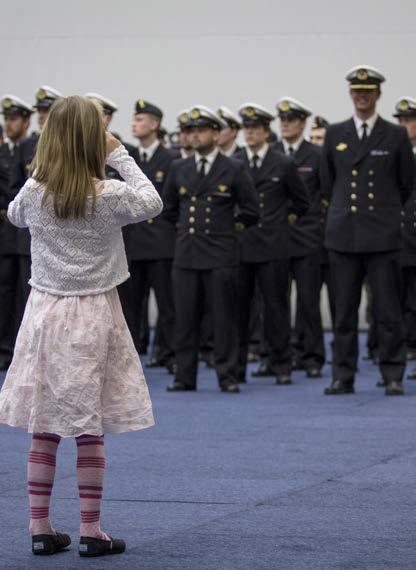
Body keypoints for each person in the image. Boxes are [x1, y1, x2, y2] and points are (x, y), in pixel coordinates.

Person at [0, 96, 162, 557]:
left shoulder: (35, 193)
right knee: (90, 427)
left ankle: (39, 526)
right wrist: (118, 154)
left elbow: (13, 214)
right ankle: (91, 530)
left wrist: (43, 167)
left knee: (44, 423)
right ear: (97, 139)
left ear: (49, 140)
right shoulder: (108, 195)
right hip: (94, 314)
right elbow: (153, 200)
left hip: (45, 315)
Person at [321, 65, 415, 396]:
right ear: (351, 95)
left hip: (383, 236)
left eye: (368, 92)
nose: (362, 97)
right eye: (357, 92)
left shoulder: (395, 134)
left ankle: (392, 373)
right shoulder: (336, 133)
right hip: (344, 235)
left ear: (377, 95)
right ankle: (342, 375)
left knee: (388, 311)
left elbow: (405, 184)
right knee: (343, 312)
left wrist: (385, 214)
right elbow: (327, 183)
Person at [163, 105, 259, 393]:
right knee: (185, 320)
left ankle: (227, 375)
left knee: (224, 319)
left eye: (201, 130)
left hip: (221, 254)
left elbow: (252, 210)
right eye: (190, 131)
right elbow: (168, 209)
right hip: (187, 253)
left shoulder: (234, 167)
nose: (195, 136)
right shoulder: (179, 167)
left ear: (216, 134)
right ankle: (185, 376)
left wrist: (228, 230)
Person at [236, 103, 309, 385]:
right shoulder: (235, 161)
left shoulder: (283, 162)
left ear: (266, 132)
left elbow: (302, 202)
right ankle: (237, 365)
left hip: (273, 245)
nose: (250, 132)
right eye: (247, 127)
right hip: (242, 243)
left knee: (276, 307)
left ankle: (280, 364)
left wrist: (282, 223)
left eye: (255, 128)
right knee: (239, 309)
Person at [118, 99, 176, 373]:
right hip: (133, 242)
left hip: (161, 242)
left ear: (154, 124)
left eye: (140, 119)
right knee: (131, 303)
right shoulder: (128, 158)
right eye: (134, 119)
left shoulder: (171, 159)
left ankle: (168, 352)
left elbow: (172, 202)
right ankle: (134, 351)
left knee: (167, 303)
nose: (134, 124)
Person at [275, 97, 325, 378]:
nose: (285, 124)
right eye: (282, 120)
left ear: (303, 123)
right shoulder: (271, 153)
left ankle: (313, 356)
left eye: (291, 120)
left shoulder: (316, 154)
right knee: (277, 302)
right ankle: (282, 354)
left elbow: (326, 194)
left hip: (306, 238)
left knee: (309, 302)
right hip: (277, 240)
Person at [0, 95, 33, 370]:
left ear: (25, 121)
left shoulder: (29, 148)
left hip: (23, 234)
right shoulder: (6, 151)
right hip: (5, 234)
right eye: (6, 119)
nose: (8, 124)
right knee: (3, 293)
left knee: (24, 294)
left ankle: (18, 351)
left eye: (13, 119)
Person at [392, 97, 416, 378]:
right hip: (395, 238)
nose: (404, 126)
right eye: (400, 120)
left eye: (409, 120)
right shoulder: (392, 153)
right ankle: (399, 351)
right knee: (394, 303)